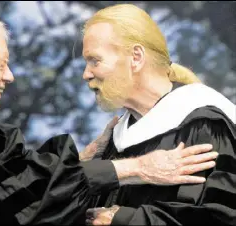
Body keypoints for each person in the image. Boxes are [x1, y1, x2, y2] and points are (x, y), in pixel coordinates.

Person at [0, 14, 218, 225]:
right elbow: (23, 201)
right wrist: (137, 168)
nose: (9, 77)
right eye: (1, 65)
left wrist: (82, 160)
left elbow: (5, 181)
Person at [80, 4, 236, 226]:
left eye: (94, 60)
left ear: (136, 57)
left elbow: (217, 216)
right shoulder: (113, 141)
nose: (86, 74)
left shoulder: (204, 123)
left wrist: (122, 219)